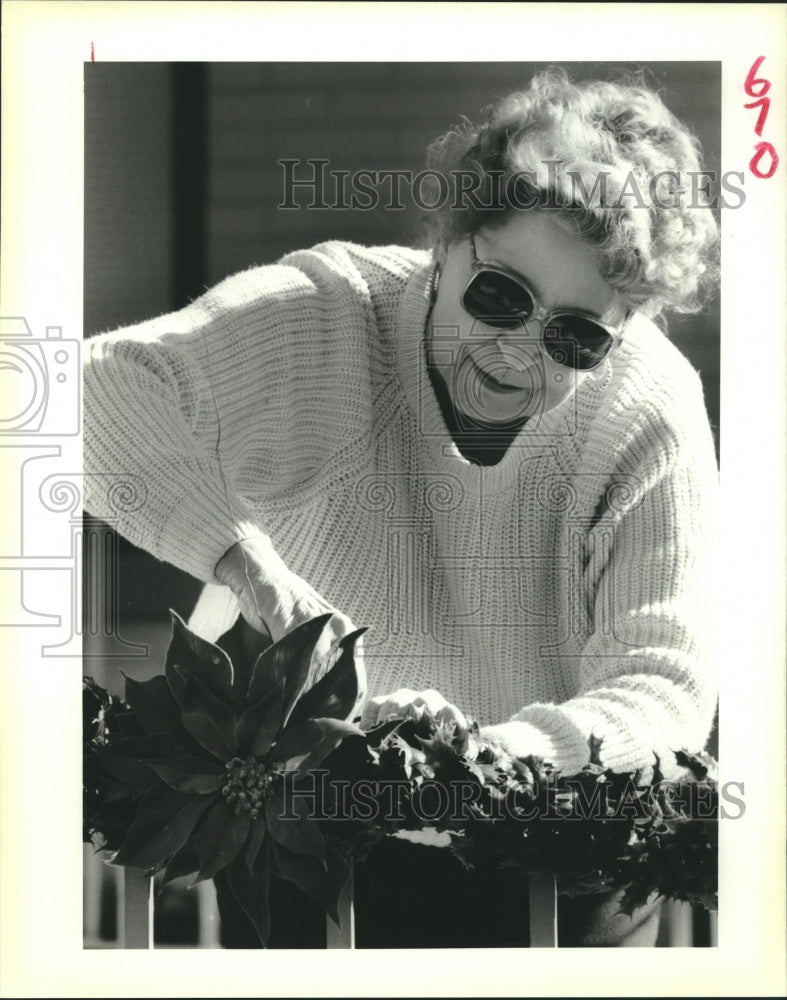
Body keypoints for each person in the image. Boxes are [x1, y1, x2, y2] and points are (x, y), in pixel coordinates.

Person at [83, 69, 719, 947]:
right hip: (309, 848)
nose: (517, 353)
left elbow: (663, 685)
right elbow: (80, 393)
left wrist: (477, 775)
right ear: (447, 240)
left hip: (557, 864)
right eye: (498, 295)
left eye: (574, 337)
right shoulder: (328, 316)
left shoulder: (649, 407)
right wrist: (245, 562)